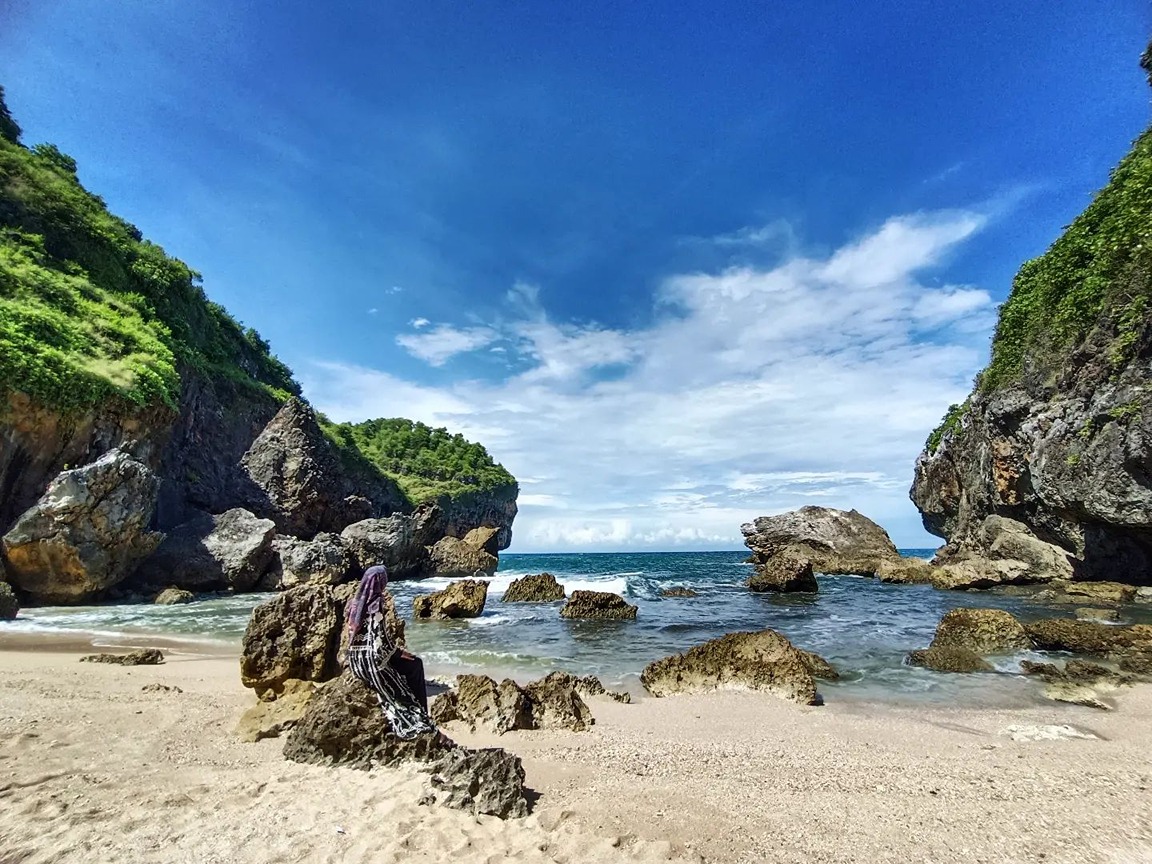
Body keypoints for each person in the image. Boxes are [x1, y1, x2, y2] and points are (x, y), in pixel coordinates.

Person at [344, 564, 438, 739]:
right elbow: (381, 642)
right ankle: (420, 712)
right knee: (415, 664)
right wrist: (399, 653)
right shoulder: (375, 605)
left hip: (356, 661)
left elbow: (353, 636)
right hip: (373, 663)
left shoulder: (353, 604)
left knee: (407, 663)